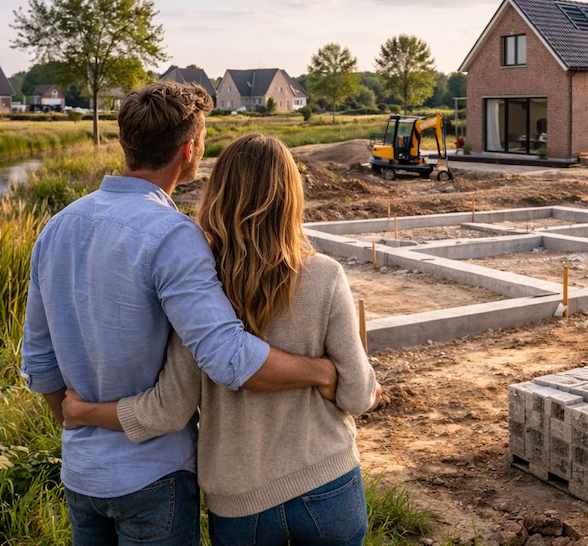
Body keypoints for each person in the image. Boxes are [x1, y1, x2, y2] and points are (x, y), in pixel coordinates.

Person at [21, 83, 337, 545]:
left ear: (126, 142)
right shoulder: (172, 235)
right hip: (154, 477)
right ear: (189, 151)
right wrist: (321, 371)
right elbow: (227, 358)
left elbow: (39, 362)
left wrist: (77, 423)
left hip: (82, 477)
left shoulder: (57, 226)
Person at [64, 132, 379, 546]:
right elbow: (358, 396)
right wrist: (325, 374)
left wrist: (84, 412)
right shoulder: (324, 275)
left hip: (240, 505)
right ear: (291, 196)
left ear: (219, 195)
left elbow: (168, 410)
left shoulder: (198, 285)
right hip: (328, 485)